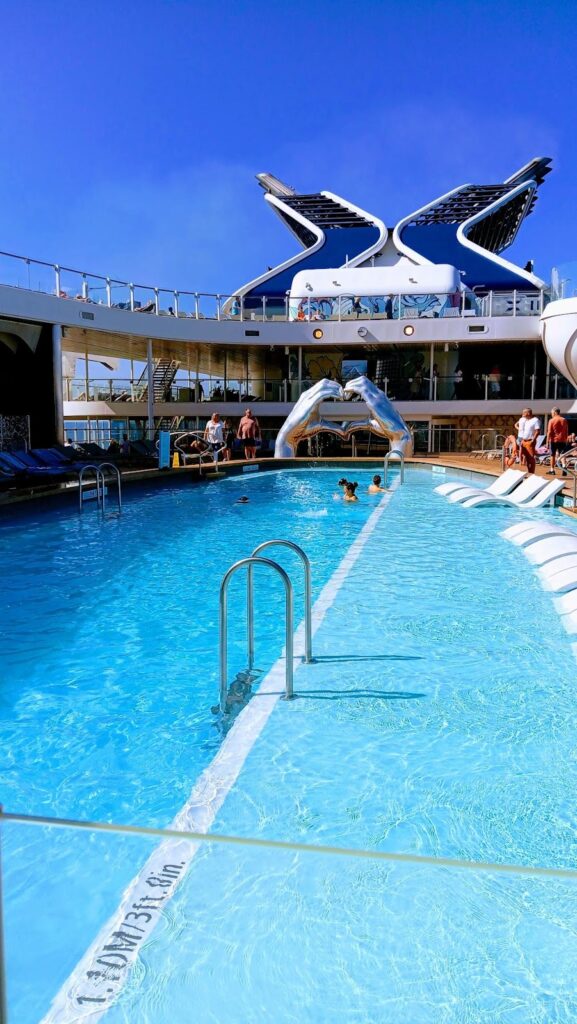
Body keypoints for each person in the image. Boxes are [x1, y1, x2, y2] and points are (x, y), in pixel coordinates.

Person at [515, 407, 541, 474]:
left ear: (528, 413)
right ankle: (527, 470)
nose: (522, 414)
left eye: (524, 413)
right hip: (524, 441)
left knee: (530, 458)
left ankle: (531, 472)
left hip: (530, 441)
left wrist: (533, 440)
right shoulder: (526, 420)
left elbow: (537, 431)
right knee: (524, 456)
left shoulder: (535, 420)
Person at [546, 407, 569, 476]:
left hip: (553, 440)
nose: (551, 414)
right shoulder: (564, 420)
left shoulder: (552, 420)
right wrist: (566, 439)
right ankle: (564, 466)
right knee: (562, 454)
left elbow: (549, 432)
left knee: (552, 455)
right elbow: (566, 430)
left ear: (555, 412)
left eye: (552, 413)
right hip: (562, 440)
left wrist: (547, 442)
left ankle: (552, 470)